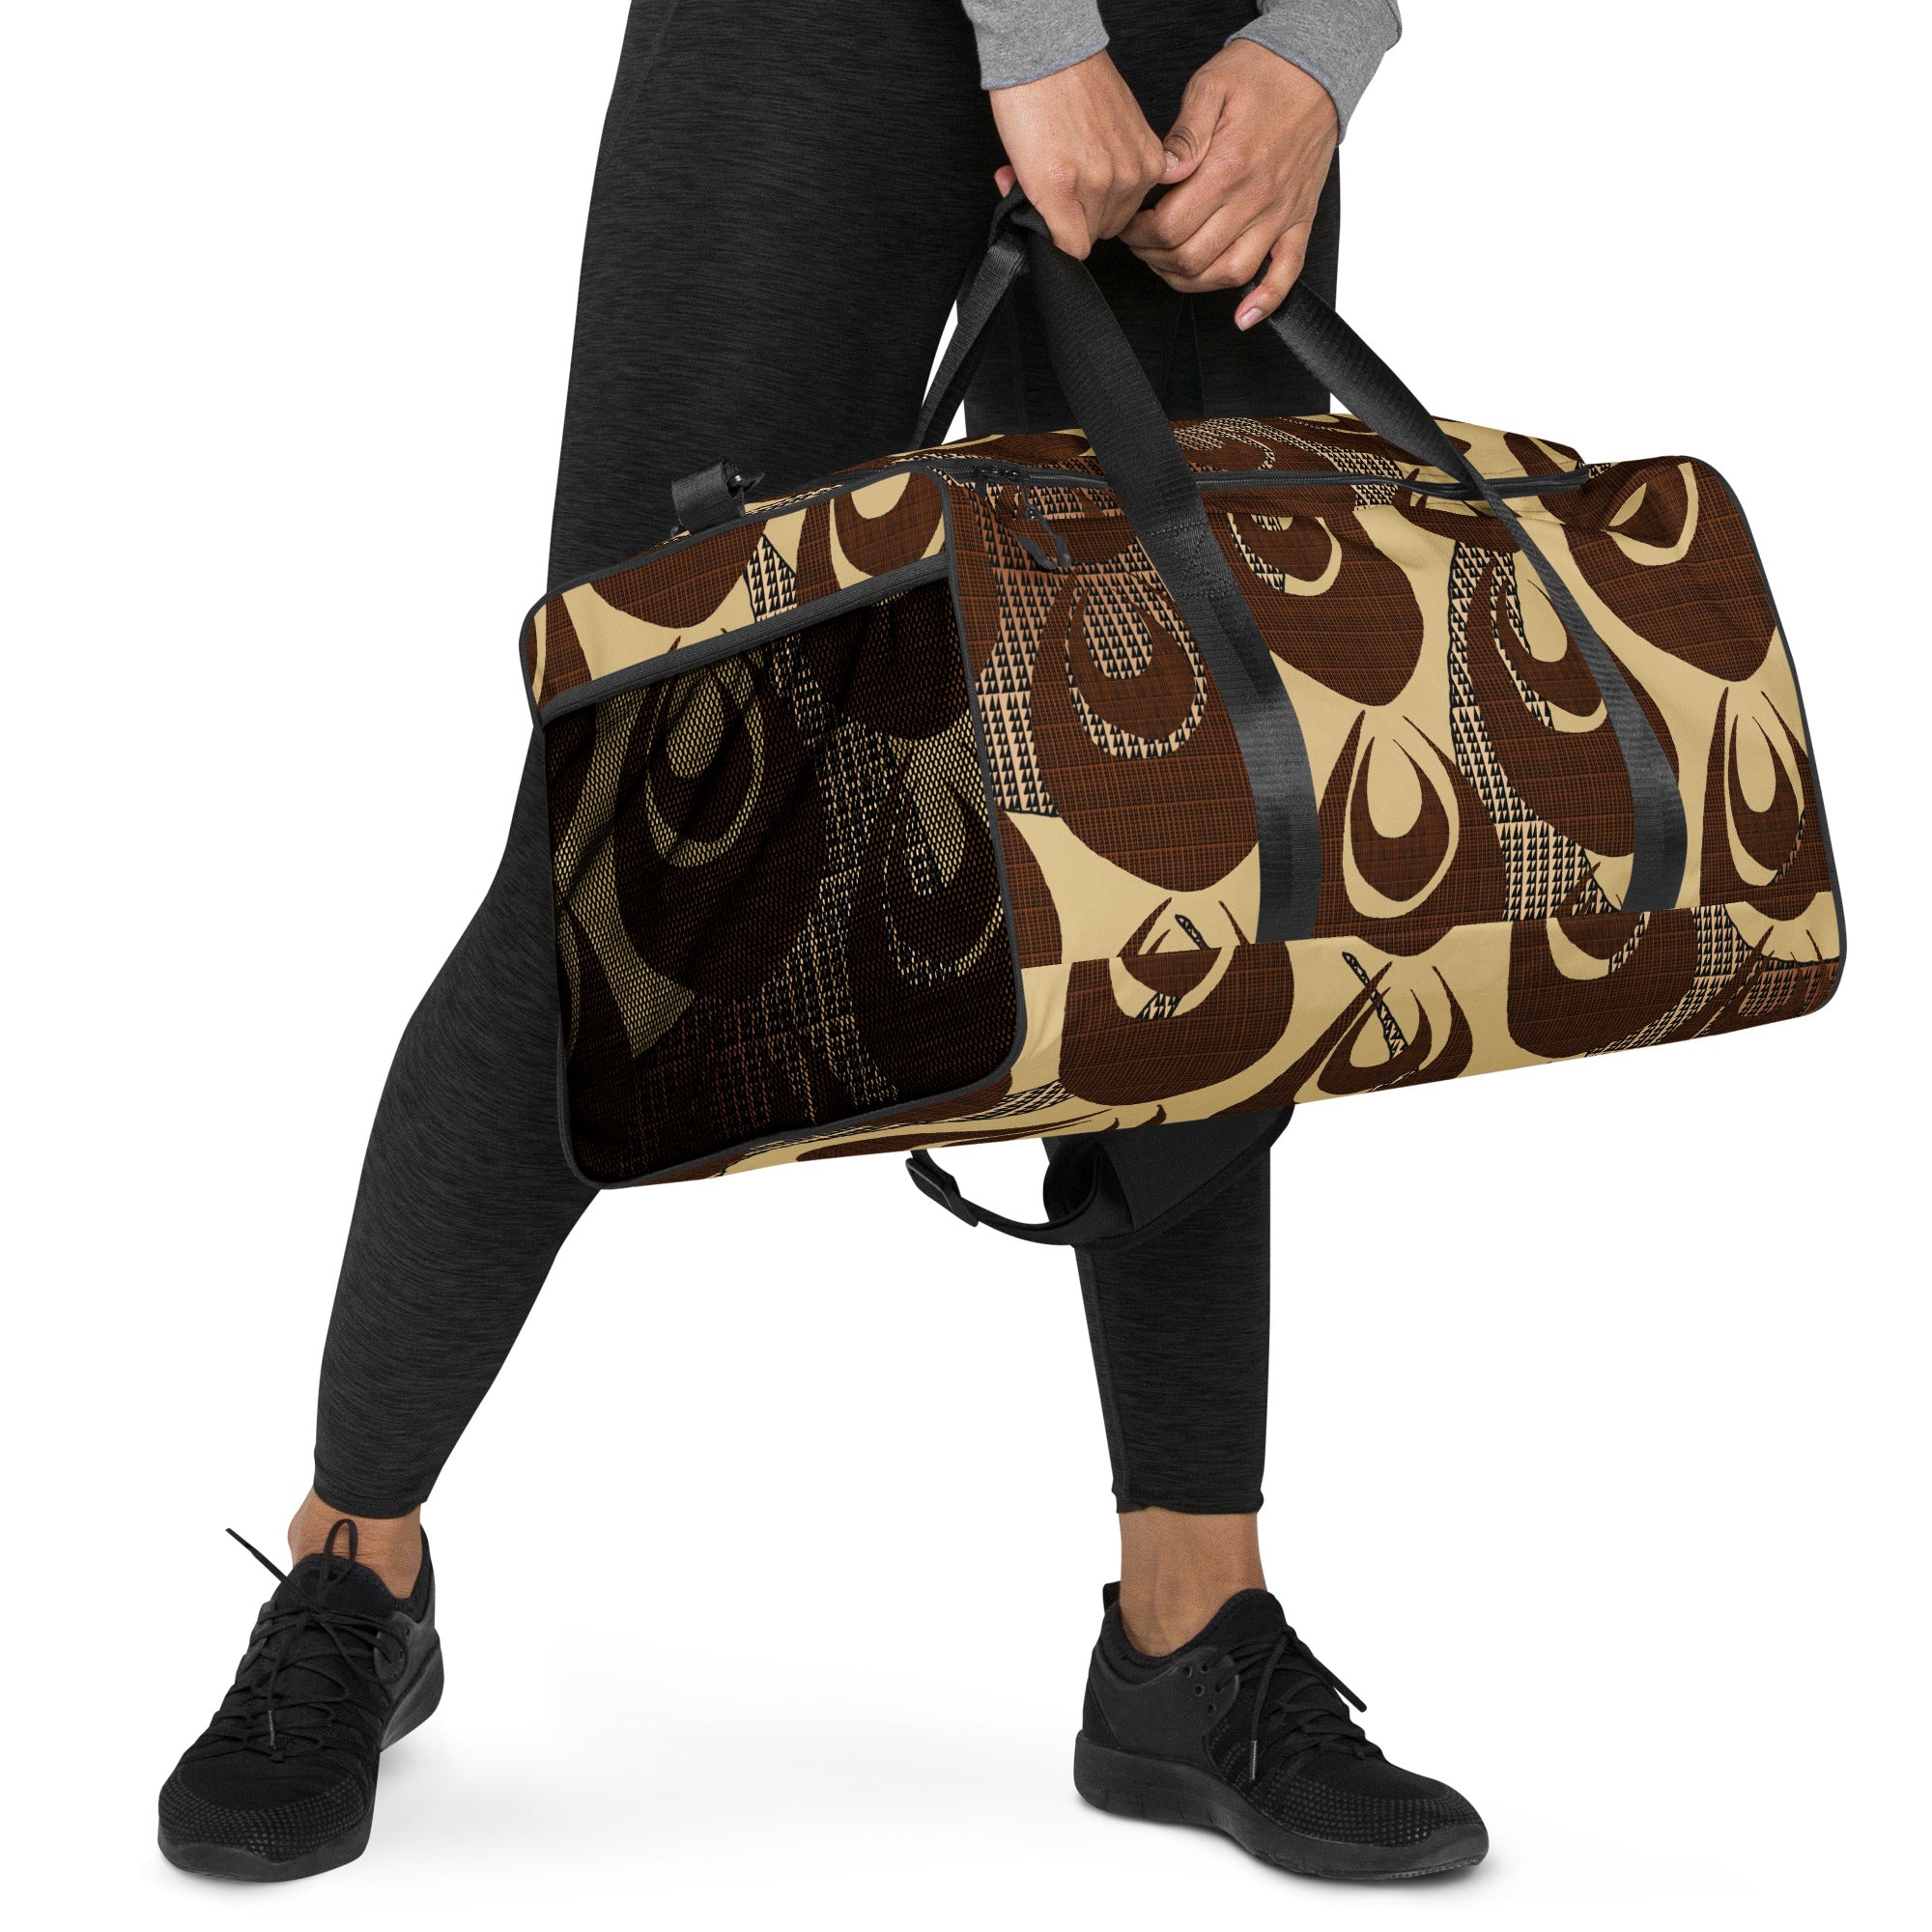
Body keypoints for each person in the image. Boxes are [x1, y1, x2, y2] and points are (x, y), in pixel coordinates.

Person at [159, 0, 1484, 1888]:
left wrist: (1325, 41)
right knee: (630, 825)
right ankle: (352, 1567)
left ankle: (1190, 1629)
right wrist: (1036, 30)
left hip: (1218, 69)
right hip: (823, 38)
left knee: (1191, 840)